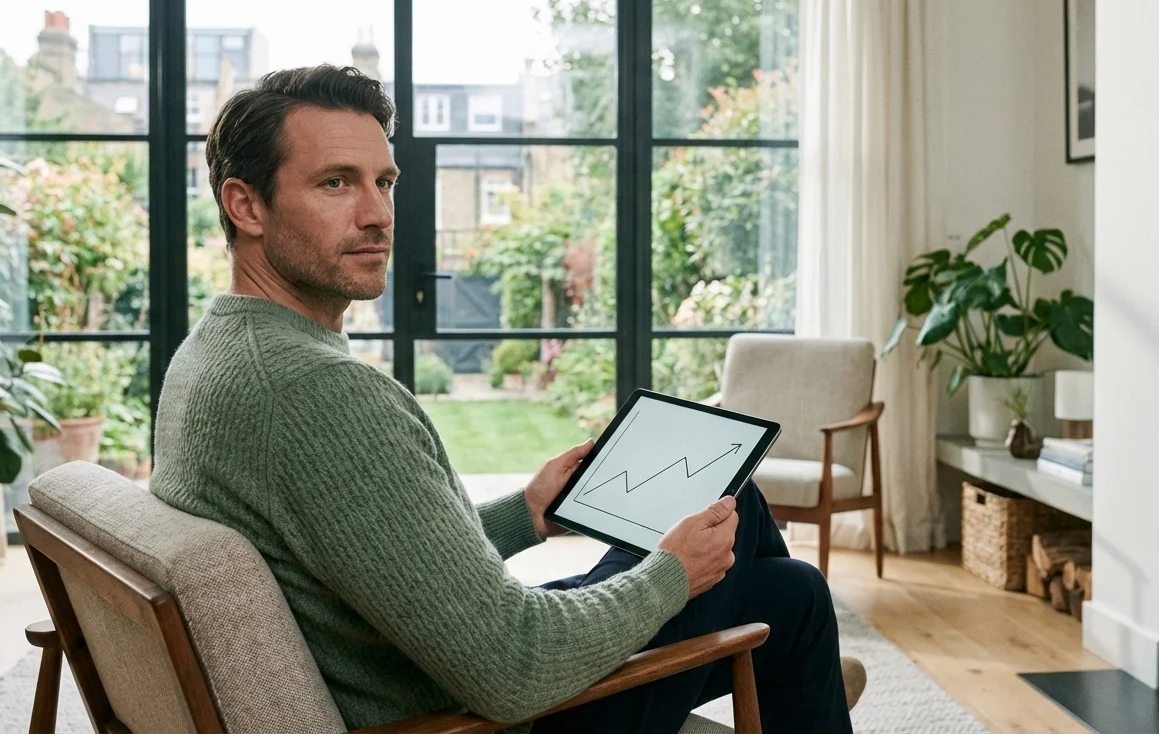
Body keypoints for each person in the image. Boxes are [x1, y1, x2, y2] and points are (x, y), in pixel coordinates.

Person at [150, 64, 860, 733]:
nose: (377, 215)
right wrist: (672, 575)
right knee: (769, 565)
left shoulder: (216, 353)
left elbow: (371, 558)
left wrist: (525, 514)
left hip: (436, 661)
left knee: (774, 569)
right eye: (336, 183)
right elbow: (515, 671)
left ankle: (792, 671)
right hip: (481, 715)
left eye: (384, 181)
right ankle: (794, 676)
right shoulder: (316, 391)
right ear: (245, 205)